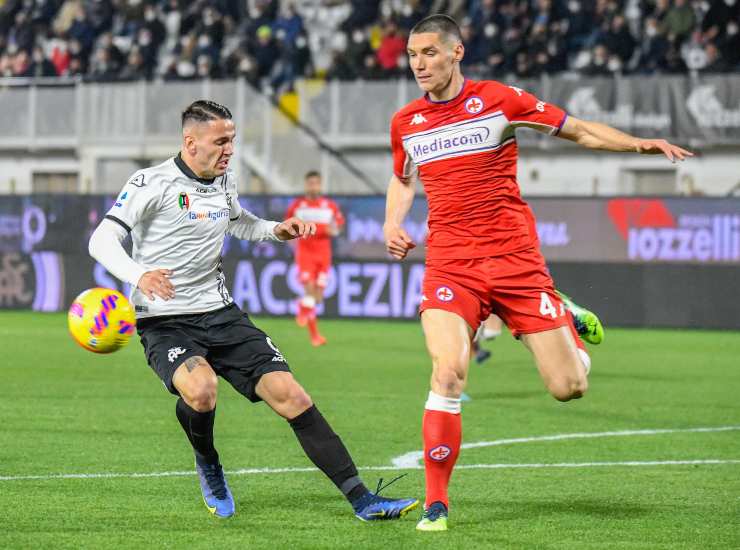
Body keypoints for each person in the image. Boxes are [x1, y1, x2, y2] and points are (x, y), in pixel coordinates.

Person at [383, 15, 692, 532]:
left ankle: (564, 316)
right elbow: (402, 179)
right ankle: (437, 503)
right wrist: (393, 222)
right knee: (447, 371)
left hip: (514, 261)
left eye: (430, 52)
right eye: (413, 54)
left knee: (568, 387)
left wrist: (638, 143)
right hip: (451, 263)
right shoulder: (406, 122)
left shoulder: (500, 100)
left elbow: (579, 129)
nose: (419, 63)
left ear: (457, 53)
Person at [89, 100, 418, 521]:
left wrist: (276, 230)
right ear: (190, 142)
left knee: (292, 396)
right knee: (202, 391)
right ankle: (208, 463)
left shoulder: (225, 179)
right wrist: (138, 275)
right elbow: (101, 240)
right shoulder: (150, 183)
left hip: (222, 313)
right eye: (220, 141)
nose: (229, 149)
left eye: (233, 140)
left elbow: (239, 221)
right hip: (164, 320)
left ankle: (363, 500)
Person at [285, 170, 345, 346]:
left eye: (316, 183)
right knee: (309, 289)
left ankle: (304, 309)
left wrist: (333, 230)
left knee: (317, 298)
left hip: (324, 254)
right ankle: (314, 335)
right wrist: (293, 243)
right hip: (305, 253)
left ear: (320, 185)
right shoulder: (298, 206)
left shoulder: (329, 206)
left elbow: (338, 226)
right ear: (306, 185)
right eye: (310, 183)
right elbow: (287, 226)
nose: (313, 186)